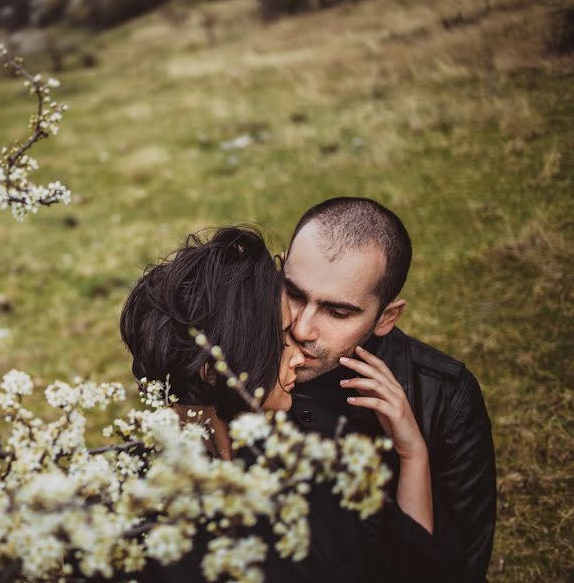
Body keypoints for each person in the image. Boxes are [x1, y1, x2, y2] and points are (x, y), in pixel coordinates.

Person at [120, 225, 450, 582]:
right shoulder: (310, 491)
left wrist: (413, 455)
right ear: (211, 369)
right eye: (280, 340)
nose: (298, 354)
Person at [281, 197, 497, 581]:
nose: (302, 329)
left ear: (386, 318)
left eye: (338, 312)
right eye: (294, 294)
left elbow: (464, 561)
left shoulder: (443, 395)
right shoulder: (232, 357)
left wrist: (413, 455)